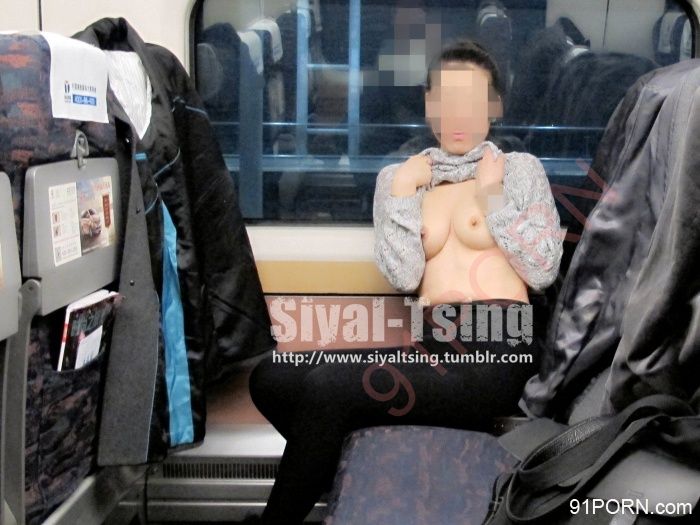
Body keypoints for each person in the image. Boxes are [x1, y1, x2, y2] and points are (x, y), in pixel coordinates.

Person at [249, 40, 563, 525]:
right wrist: (399, 193)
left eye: (473, 101)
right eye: (447, 100)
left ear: (494, 107)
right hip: (433, 347)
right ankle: (358, 474)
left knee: (331, 387)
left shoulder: (518, 170)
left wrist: (493, 198)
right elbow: (404, 275)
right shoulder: (401, 176)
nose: (459, 114)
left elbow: (543, 268)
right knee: (272, 377)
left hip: (500, 348)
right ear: (429, 104)